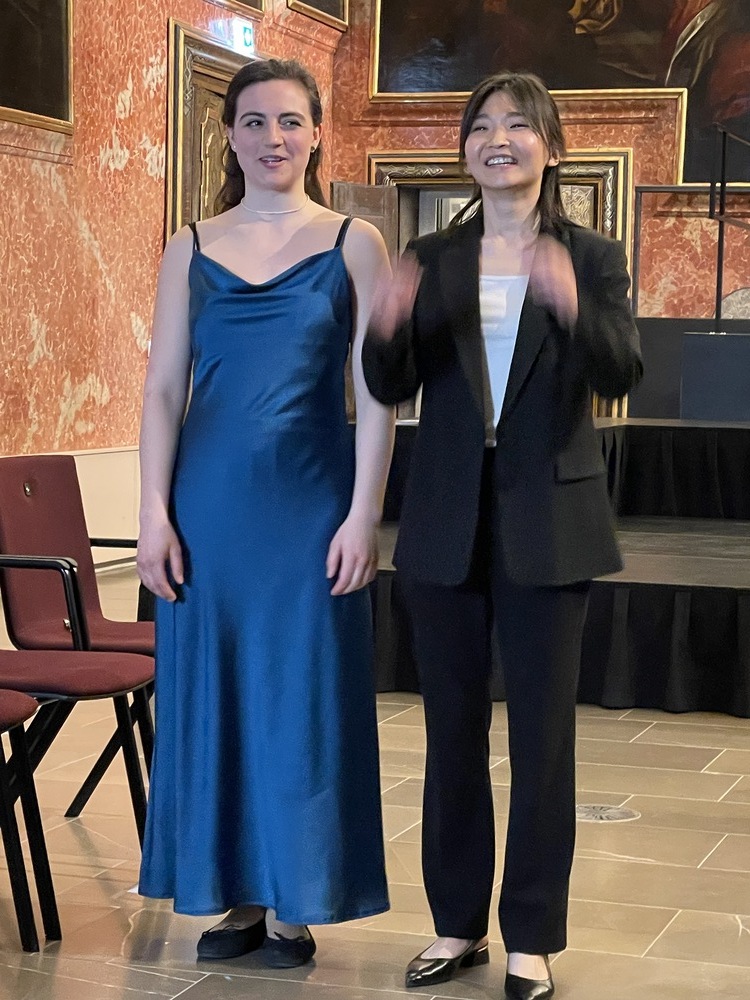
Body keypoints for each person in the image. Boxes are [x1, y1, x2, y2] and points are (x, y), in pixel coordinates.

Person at [362, 71, 642, 999]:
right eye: (481, 126)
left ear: (551, 149)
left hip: (549, 523)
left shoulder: (591, 257)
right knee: (451, 735)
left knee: (542, 742)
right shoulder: (435, 255)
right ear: (465, 151)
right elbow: (388, 380)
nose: (497, 139)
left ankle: (531, 938)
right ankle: (455, 925)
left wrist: (570, 302)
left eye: (518, 126)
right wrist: (387, 322)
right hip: (446, 522)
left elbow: (622, 371)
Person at [136, 57, 394, 968]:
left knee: (302, 697)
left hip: (311, 506)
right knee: (216, 695)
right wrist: (153, 513)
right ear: (230, 136)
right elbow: (163, 390)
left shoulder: (356, 242)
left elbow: (377, 392)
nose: (272, 138)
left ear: (317, 134)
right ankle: (233, 897)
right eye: (253, 121)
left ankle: (297, 898)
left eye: (289, 121)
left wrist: (364, 514)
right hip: (207, 510)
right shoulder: (189, 246)